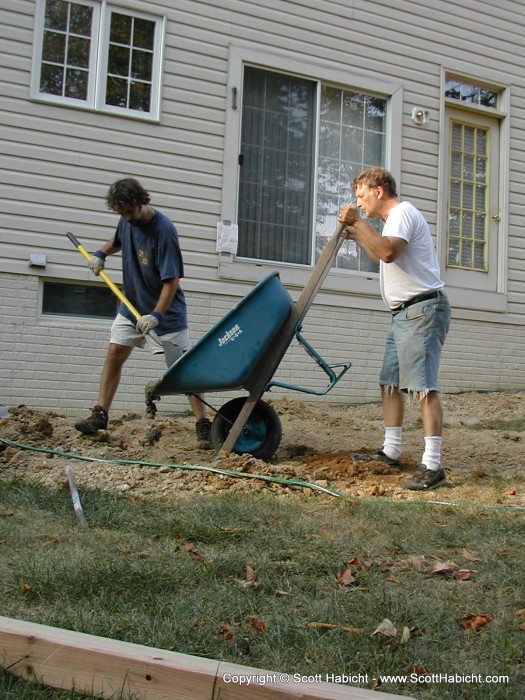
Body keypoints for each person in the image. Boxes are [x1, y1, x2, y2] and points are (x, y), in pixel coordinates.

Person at [74, 177, 213, 450]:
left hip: (165, 313)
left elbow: (171, 281)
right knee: (114, 354)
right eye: (120, 213)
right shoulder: (126, 221)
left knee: (183, 371)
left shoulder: (164, 231)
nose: (125, 218)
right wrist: (100, 253)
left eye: (128, 212)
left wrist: (156, 316)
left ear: (140, 202)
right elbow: (116, 241)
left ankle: (203, 424)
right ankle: (100, 416)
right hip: (131, 304)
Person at [338, 167, 451, 490]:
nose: (359, 204)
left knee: (422, 387)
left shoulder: (402, 212)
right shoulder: (392, 222)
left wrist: (358, 224)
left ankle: (432, 464)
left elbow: (387, 252)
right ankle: (391, 450)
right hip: (403, 313)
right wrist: (356, 234)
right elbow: (380, 255)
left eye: (361, 196)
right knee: (390, 382)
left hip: (422, 310)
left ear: (379, 190)